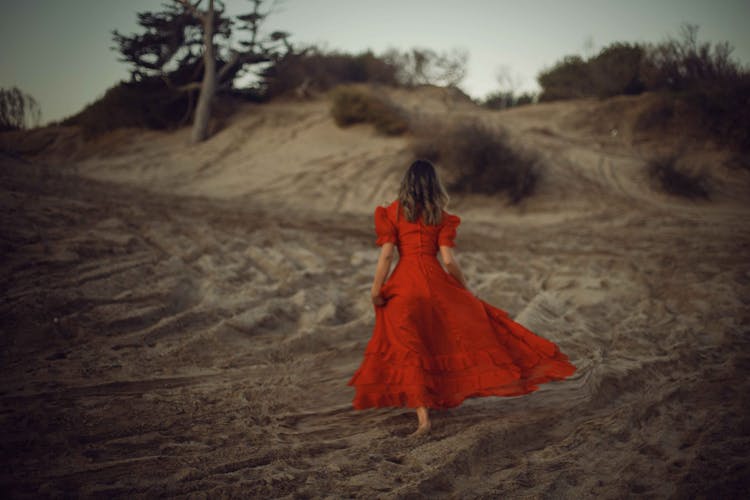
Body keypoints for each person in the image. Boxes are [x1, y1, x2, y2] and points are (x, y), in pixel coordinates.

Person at [347, 159, 576, 438]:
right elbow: (449, 262)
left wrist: (375, 289)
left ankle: (423, 419)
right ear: (434, 185)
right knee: (440, 340)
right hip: (435, 283)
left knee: (410, 347)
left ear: (406, 184)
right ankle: (440, 398)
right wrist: (464, 291)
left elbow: (386, 255)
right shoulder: (441, 217)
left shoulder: (392, 213)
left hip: (403, 285)